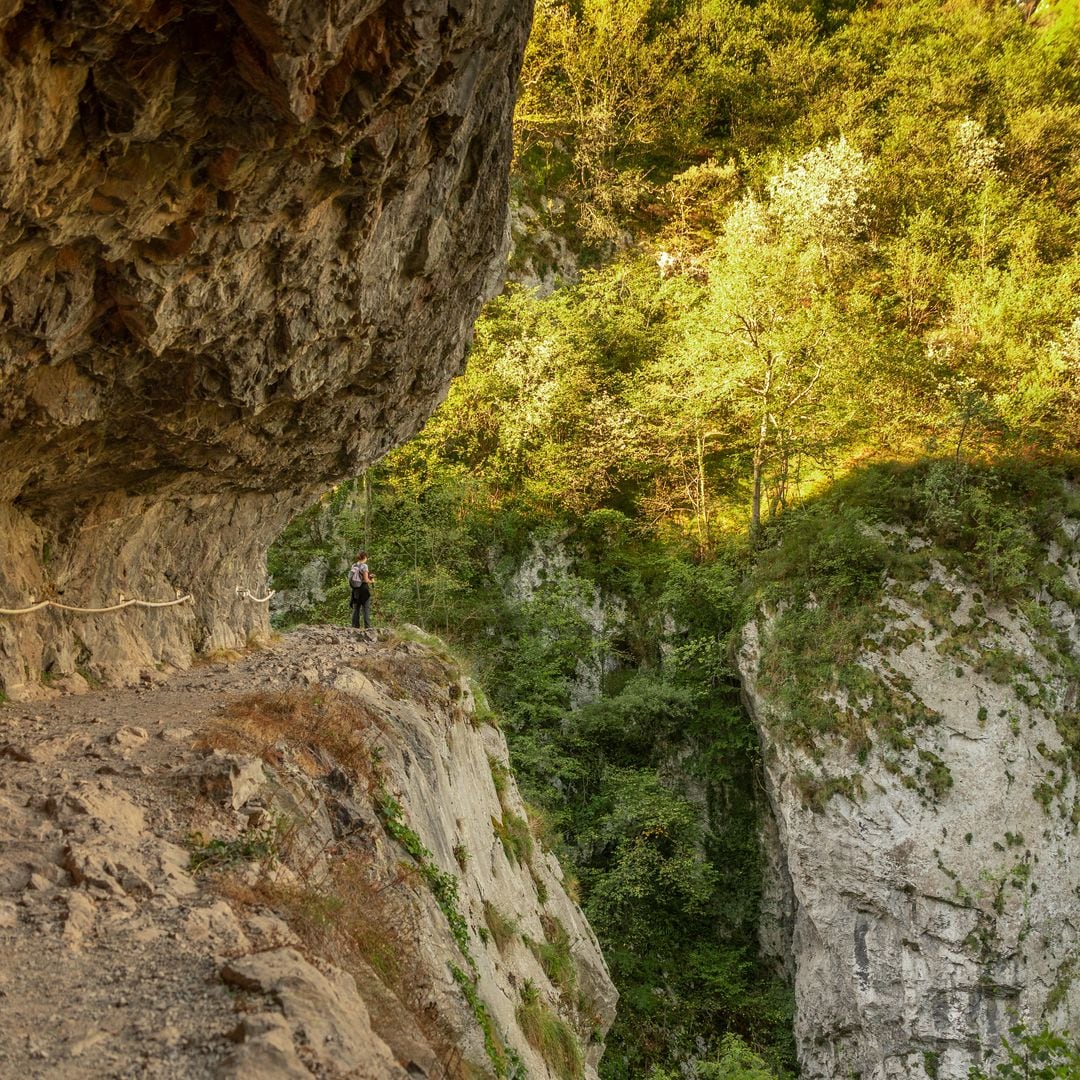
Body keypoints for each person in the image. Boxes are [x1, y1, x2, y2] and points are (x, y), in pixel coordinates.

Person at [348, 551, 375, 629]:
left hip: (356, 589)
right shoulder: (364, 566)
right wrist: (372, 581)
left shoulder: (354, 565)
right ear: (365, 557)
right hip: (364, 589)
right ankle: (367, 627)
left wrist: (368, 577)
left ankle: (355, 626)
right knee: (366, 608)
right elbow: (366, 580)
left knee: (356, 608)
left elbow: (357, 577)